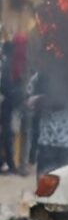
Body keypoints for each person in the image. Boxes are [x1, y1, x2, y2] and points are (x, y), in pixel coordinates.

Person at [26, 71, 68, 178]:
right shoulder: (40, 75)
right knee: (46, 189)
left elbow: (64, 100)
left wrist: (40, 99)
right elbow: (28, 100)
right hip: (48, 142)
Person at [0, 41, 20, 174]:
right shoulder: (7, 65)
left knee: (6, 134)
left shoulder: (6, 64)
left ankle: (6, 163)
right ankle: (7, 164)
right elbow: (6, 86)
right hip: (5, 105)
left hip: (5, 104)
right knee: (7, 134)